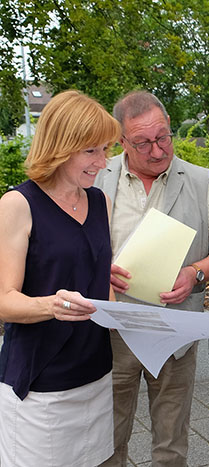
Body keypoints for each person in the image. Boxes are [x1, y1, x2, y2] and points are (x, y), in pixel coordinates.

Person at [94, 90, 209, 466]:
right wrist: (97, 270)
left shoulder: (200, 181)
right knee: (107, 440)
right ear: (121, 141)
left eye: (163, 138)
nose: (157, 151)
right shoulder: (97, 179)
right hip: (112, 332)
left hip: (175, 335)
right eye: (142, 143)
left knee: (171, 444)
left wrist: (195, 273)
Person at [0, 90, 121, 466]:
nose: (103, 162)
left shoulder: (100, 201)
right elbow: (4, 299)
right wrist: (51, 305)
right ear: (60, 147)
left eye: (105, 149)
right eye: (91, 151)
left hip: (96, 375)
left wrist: (111, 282)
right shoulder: (17, 205)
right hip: (41, 387)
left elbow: (93, 278)